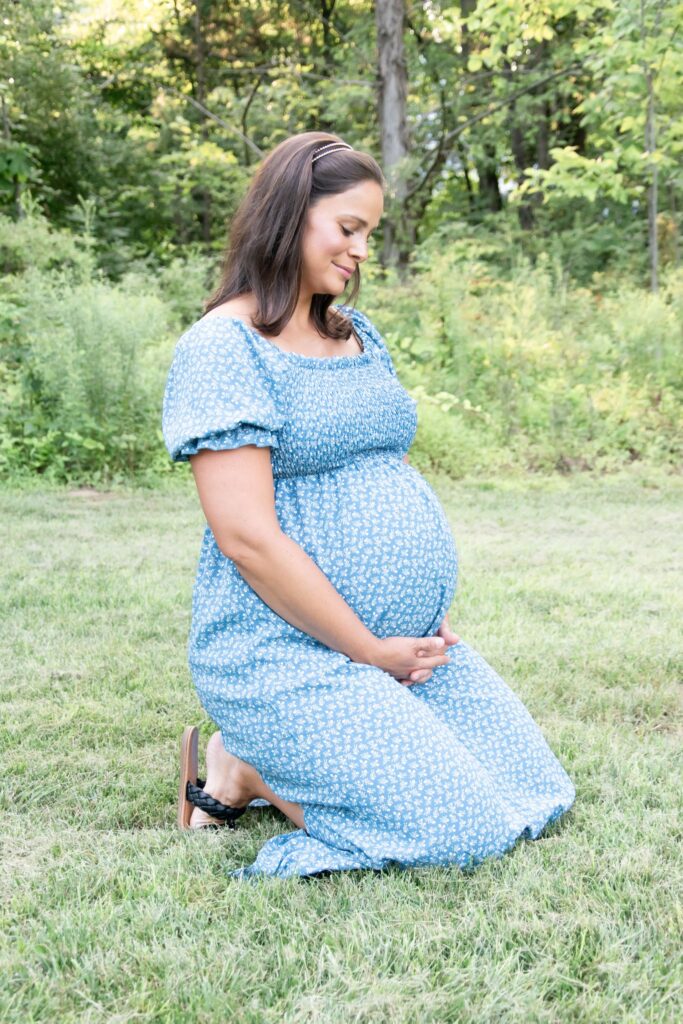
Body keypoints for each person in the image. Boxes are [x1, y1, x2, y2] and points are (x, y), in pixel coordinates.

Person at [162, 131, 575, 879]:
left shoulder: (354, 332)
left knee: (536, 793)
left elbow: (375, 467)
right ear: (289, 214)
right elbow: (246, 536)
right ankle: (245, 766)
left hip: (399, 645)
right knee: (462, 832)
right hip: (288, 654)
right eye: (347, 228)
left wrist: (406, 613)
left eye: (368, 234)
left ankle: (275, 762)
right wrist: (366, 646)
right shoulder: (223, 348)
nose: (359, 251)